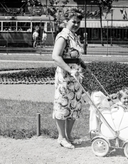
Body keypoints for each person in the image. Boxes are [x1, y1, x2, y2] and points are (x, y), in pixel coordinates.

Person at [52, 8, 85, 149]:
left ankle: (69, 136)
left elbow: (74, 55)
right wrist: (70, 70)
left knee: (74, 105)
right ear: (66, 21)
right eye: (74, 22)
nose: (76, 24)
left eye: (78, 22)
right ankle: (61, 137)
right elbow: (56, 56)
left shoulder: (74, 36)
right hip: (65, 77)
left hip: (76, 77)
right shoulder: (63, 36)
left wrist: (81, 63)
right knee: (63, 105)